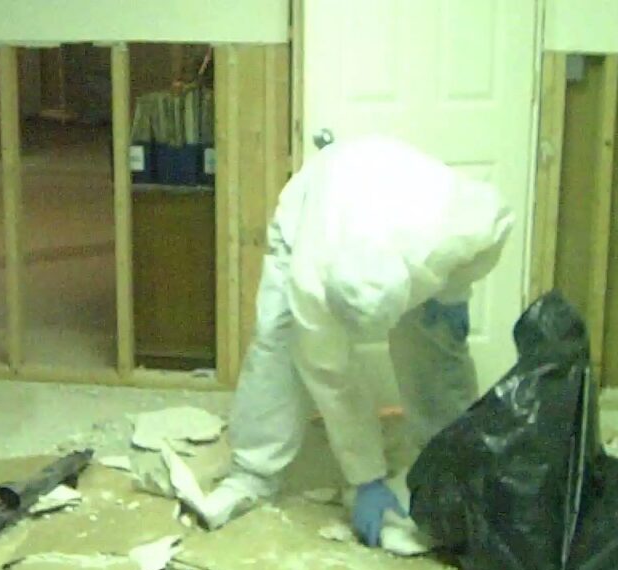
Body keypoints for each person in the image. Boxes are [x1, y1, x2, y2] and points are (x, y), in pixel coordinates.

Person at [196, 135, 514, 547]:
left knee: (437, 342)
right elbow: (334, 383)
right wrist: (367, 478)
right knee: (277, 343)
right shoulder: (311, 282)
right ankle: (254, 471)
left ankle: (449, 465)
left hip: (385, 178)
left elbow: (500, 222)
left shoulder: (448, 227)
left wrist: (454, 290)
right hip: (313, 201)